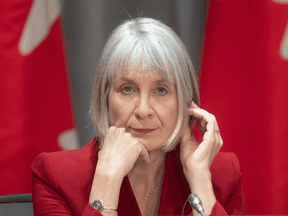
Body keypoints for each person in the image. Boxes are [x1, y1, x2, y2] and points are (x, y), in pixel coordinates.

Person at [31, 17, 245, 216]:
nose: (143, 110)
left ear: (186, 102)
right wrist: (107, 181)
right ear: (104, 98)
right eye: (127, 89)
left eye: (161, 90)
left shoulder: (222, 175)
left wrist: (199, 180)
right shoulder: (56, 176)